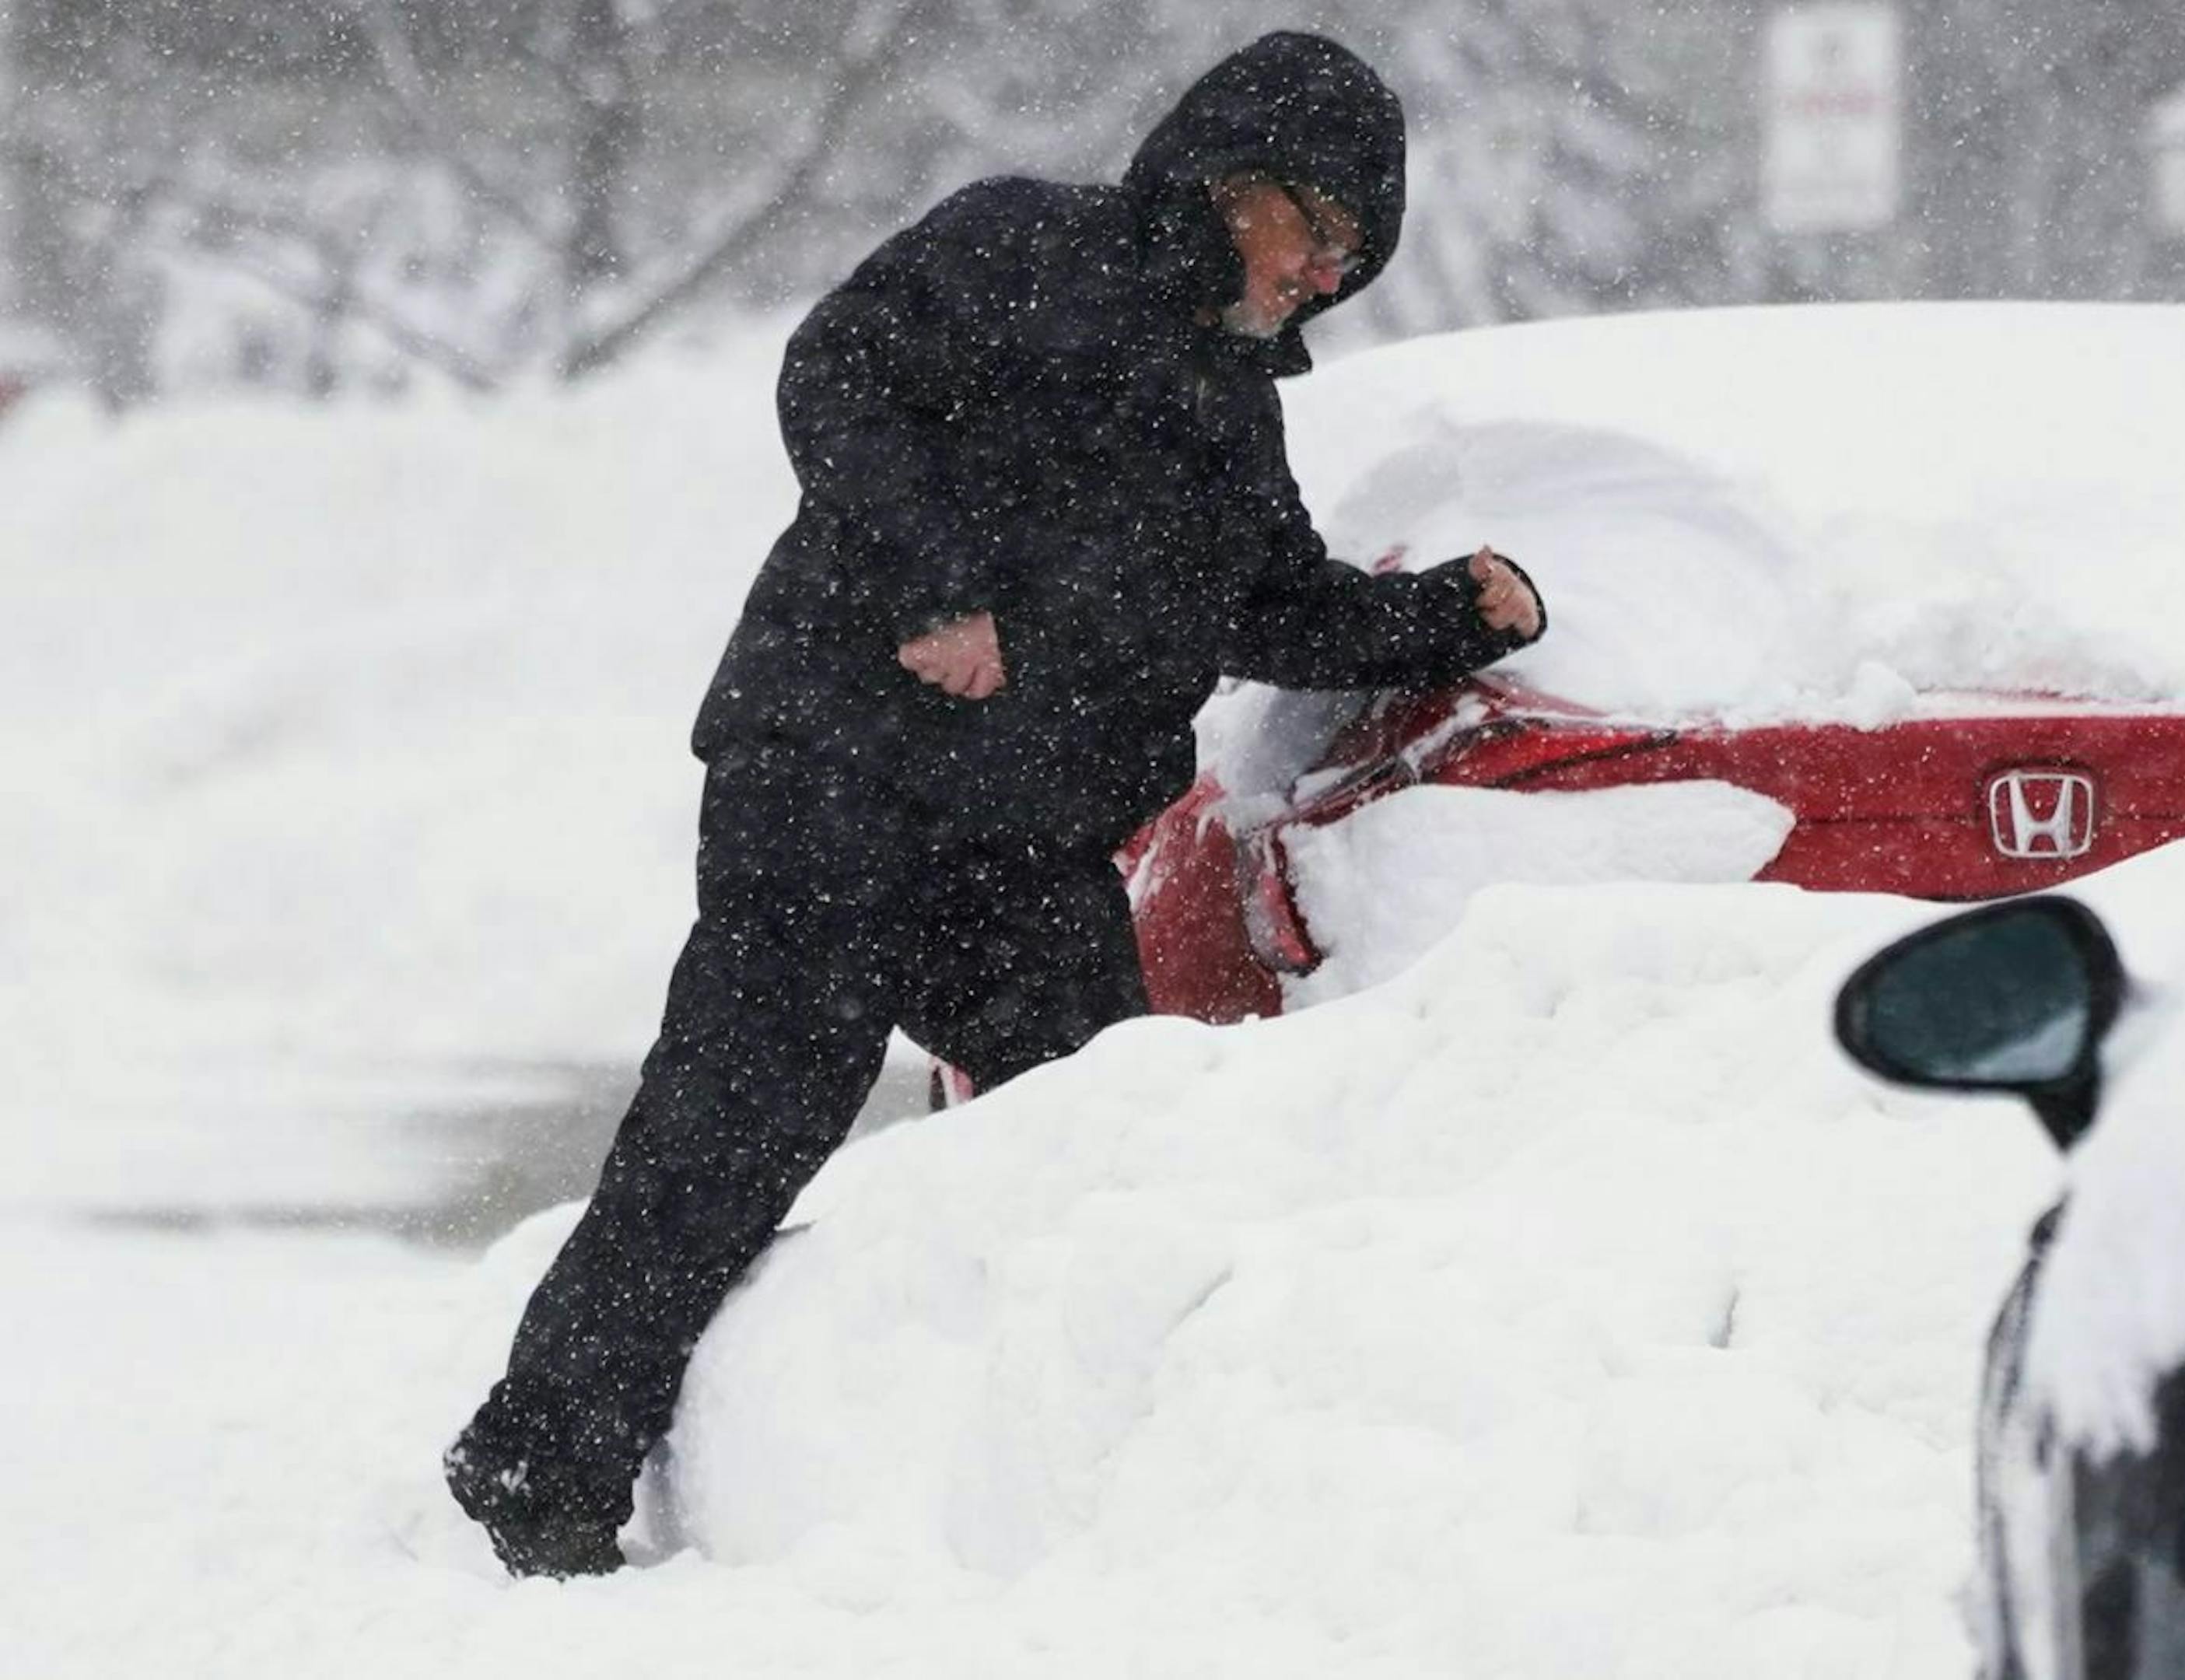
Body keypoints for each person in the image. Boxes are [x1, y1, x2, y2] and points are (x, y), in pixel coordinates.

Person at [443, 30, 1545, 1580]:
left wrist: (1450, 618)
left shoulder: (1231, 407)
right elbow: (838, 375)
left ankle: (1023, 1492)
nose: (1322, 274)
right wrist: (931, 587)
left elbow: (1273, 609)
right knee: (746, 1116)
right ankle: (540, 1461)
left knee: (1090, 1137)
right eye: (1315, 228)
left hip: (1021, 846)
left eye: (1351, 258)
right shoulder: (1023, 246)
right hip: (838, 770)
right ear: (1228, 178)